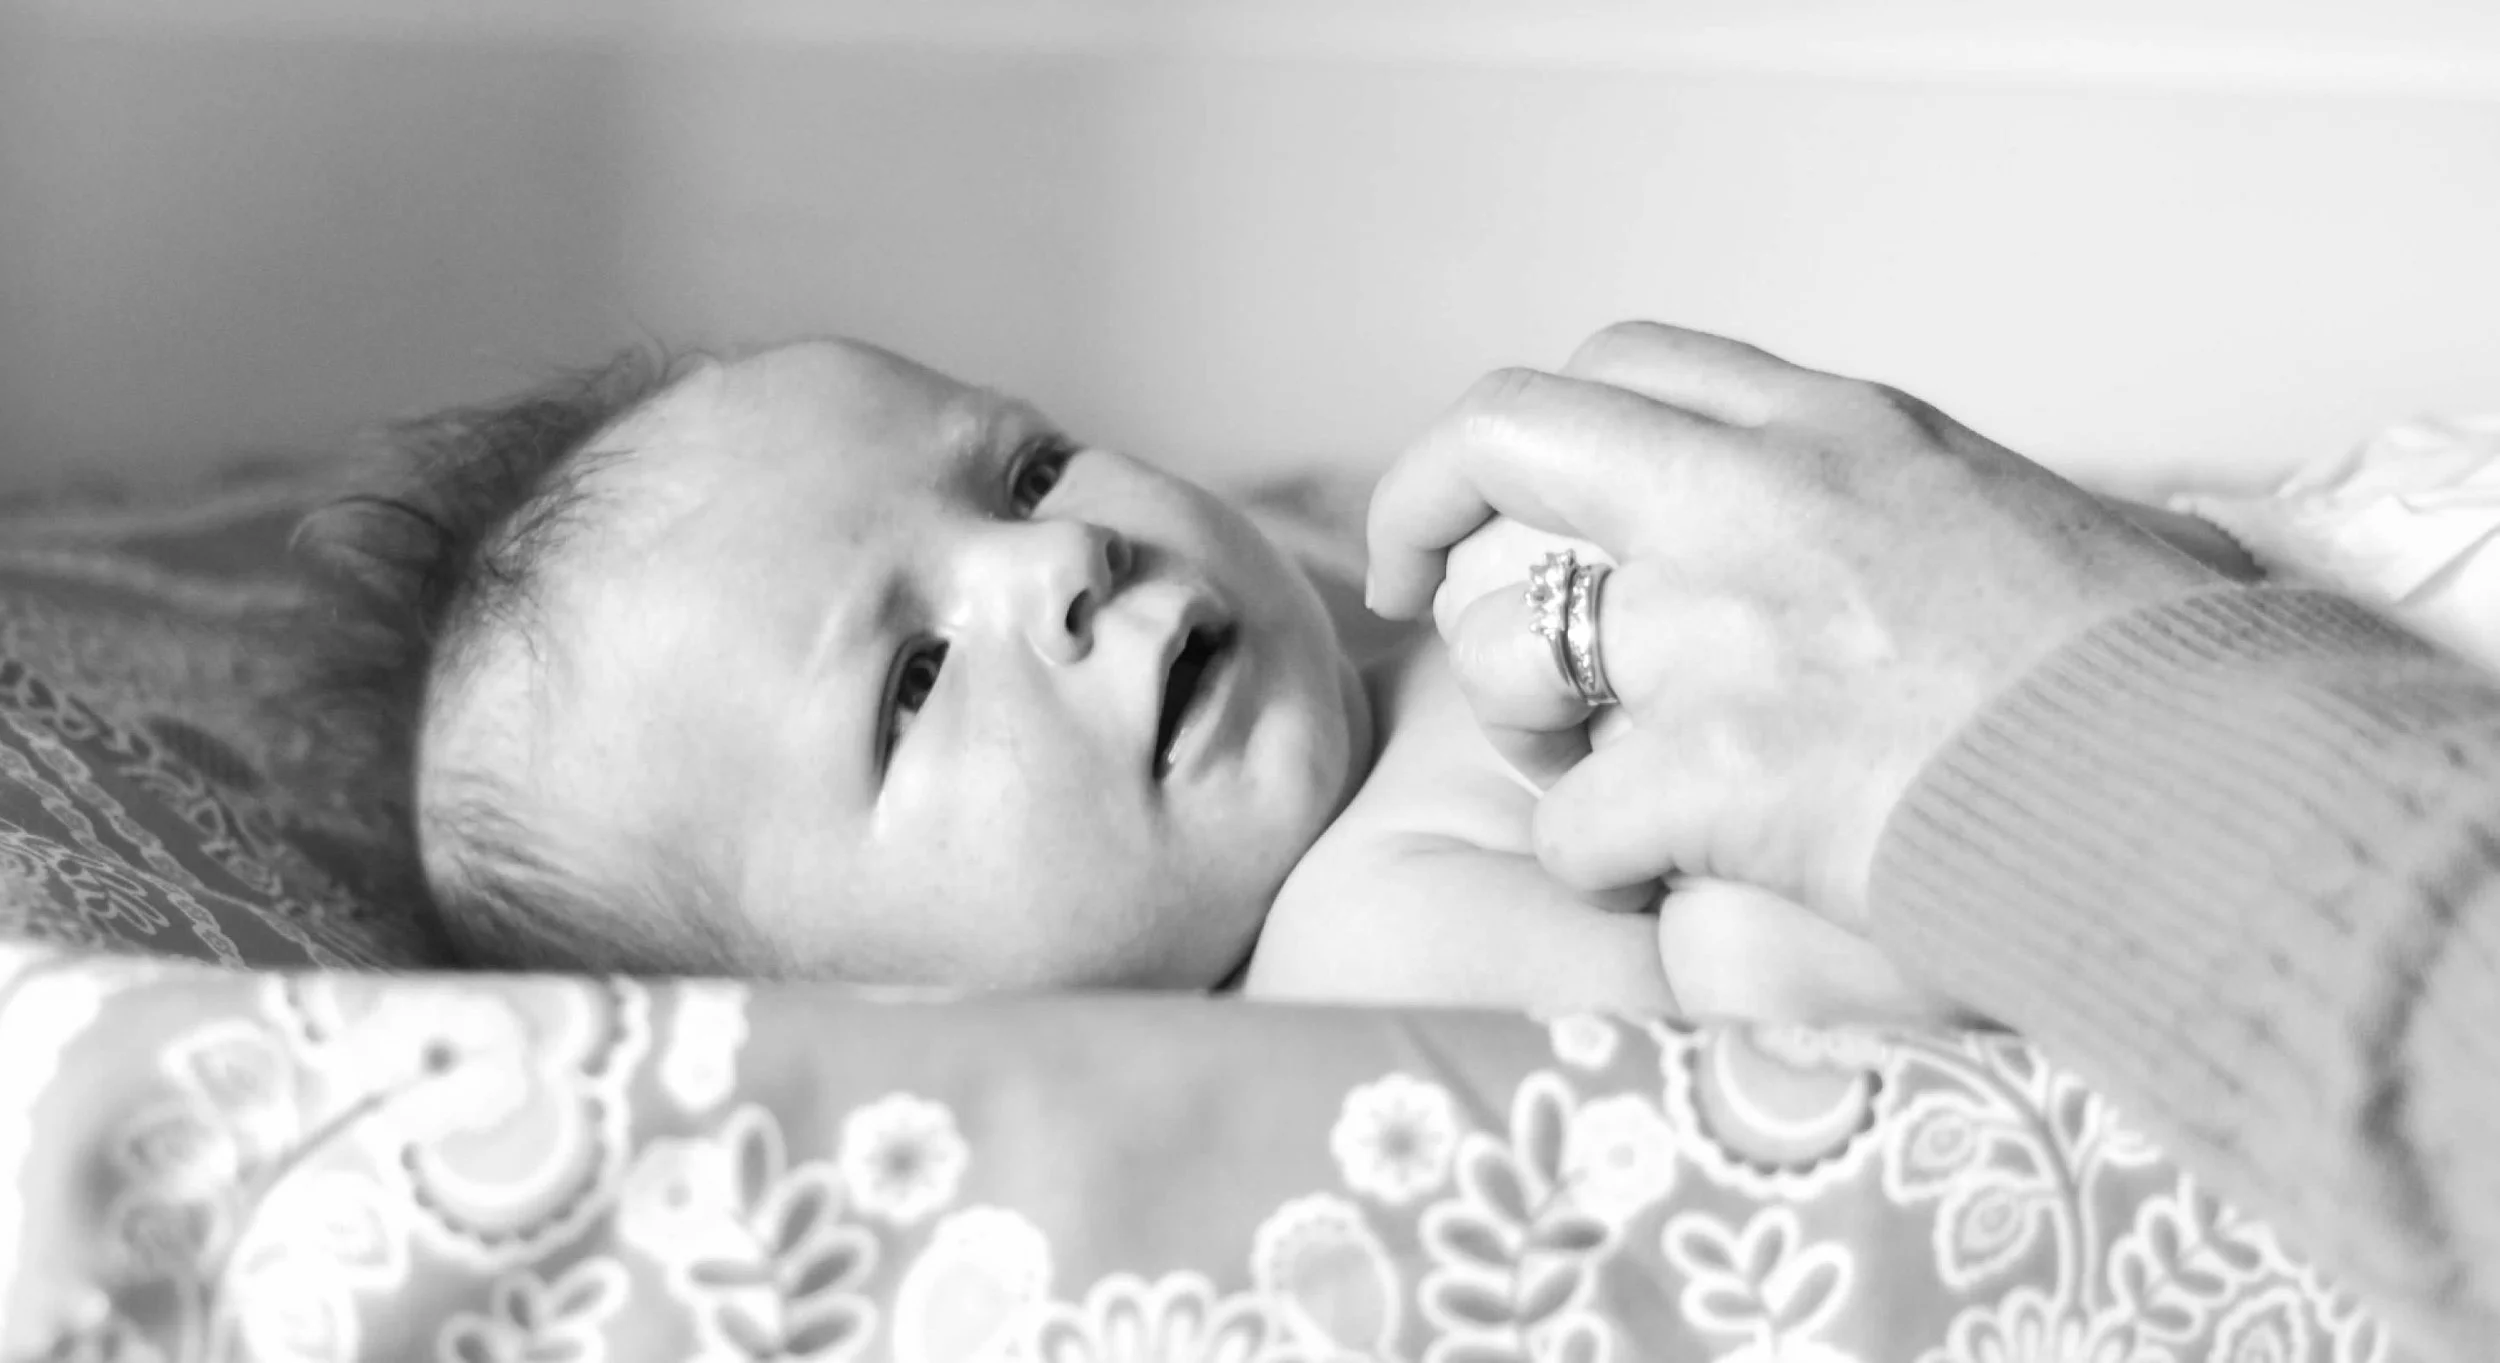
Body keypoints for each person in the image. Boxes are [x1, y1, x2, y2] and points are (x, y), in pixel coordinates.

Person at [1364, 319, 2500, 1360]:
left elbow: (2096, 567)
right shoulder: (1368, 927)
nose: (1171, 590)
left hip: (2349, 564)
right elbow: (1774, 1004)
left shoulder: (1417, 577)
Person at [307, 336, 1957, 1021]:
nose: (1057, 560)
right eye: (913, 681)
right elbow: (1794, 1020)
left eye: (1023, 473)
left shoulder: (1418, 604)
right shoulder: (1370, 945)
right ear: (881, 1022)